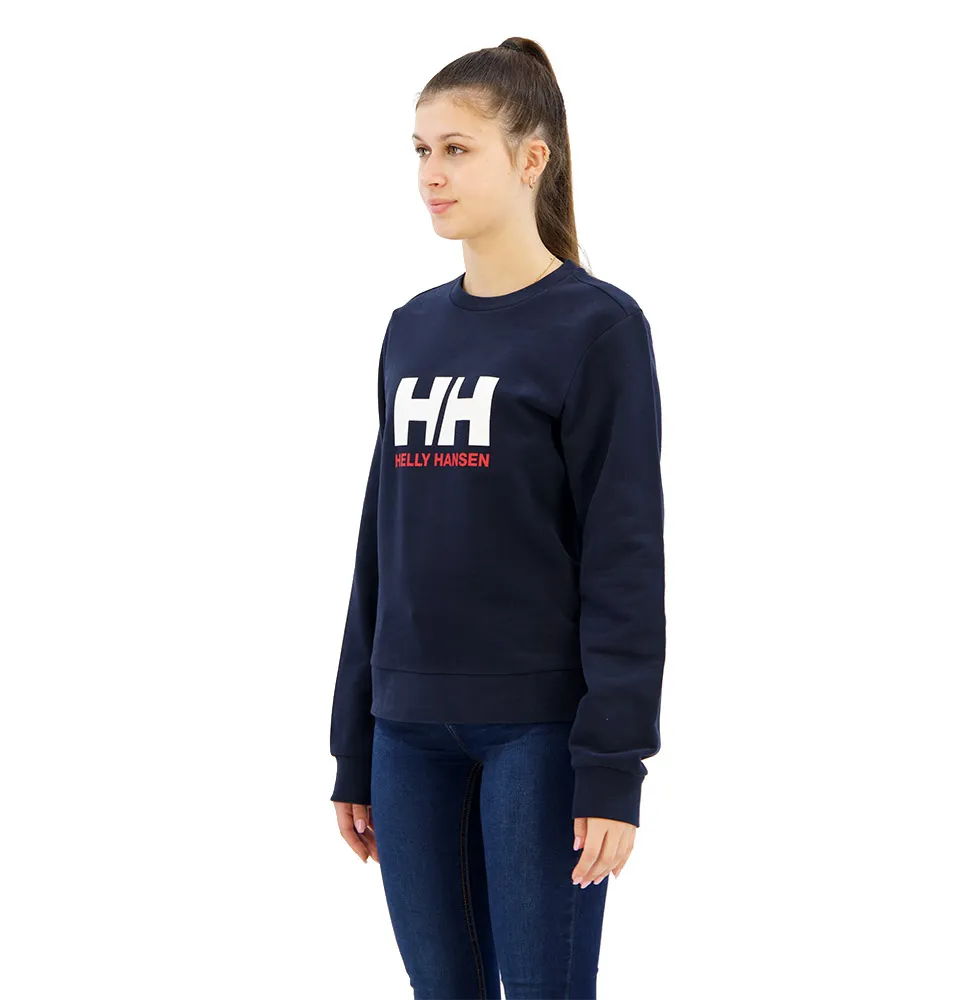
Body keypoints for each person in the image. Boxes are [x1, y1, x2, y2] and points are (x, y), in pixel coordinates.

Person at [328, 36, 665, 1000]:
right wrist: (354, 742)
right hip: (406, 734)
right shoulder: (412, 328)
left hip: (539, 735)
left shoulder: (598, 327)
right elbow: (380, 544)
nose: (430, 174)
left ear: (531, 158)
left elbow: (623, 557)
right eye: (420, 150)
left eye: (457, 149)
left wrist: (612, 768)